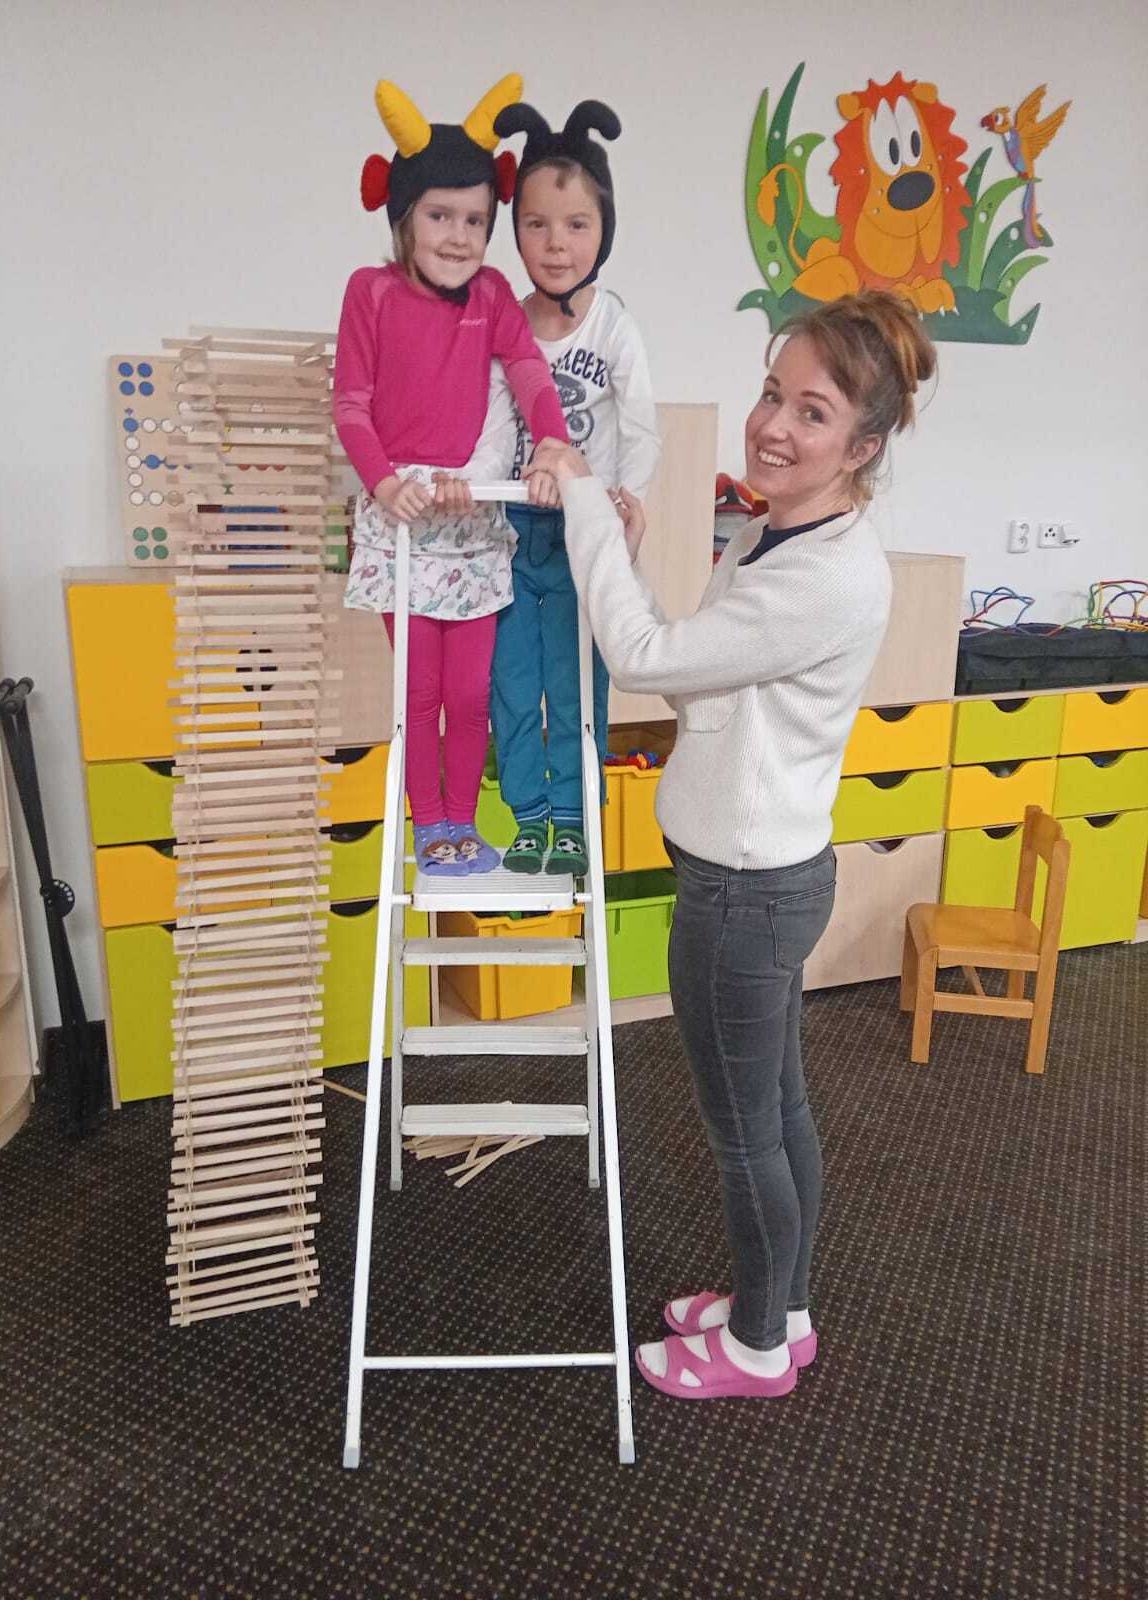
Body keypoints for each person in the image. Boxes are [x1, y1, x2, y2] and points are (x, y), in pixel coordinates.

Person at [536, 290, 937, 1398]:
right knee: (776, 1112)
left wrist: (582, 503)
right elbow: (702, 668)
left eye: (812, 413)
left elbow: (647, 658)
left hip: (746, 893)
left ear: (863, 446)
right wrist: (622, 548)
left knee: (745, 1135)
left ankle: (758, 1348)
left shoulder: (825, 573)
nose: (773, 425)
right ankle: (782, 1310)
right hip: (764, 877)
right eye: (773, 393)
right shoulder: (773, 532)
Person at [334, 75, 568, 877]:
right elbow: (351, 405)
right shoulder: (370, 293)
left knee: (470, 696)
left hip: (471, 518)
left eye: (475, 220)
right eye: (440, 216)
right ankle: (428, 823)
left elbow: (529, 371)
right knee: (420, 694)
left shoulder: (494, 294)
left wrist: (551, 443)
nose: (460, 236)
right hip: (402, 520)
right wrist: (382, 483)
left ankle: (462, 821)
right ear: (404, 218)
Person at [481, 99, 660, 876]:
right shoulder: (505, 323)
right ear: (516, 231)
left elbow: (642, 425)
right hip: (512, 530)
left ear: (603, 232)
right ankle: (528, 816)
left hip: (586, 534)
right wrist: (487, 487)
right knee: (514, 684)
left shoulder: (613, 325)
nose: (556, 243)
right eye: (537, 224)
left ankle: (575, 816)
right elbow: (492, 420)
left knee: (578, 683)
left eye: (577, 224)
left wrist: (625, 502)